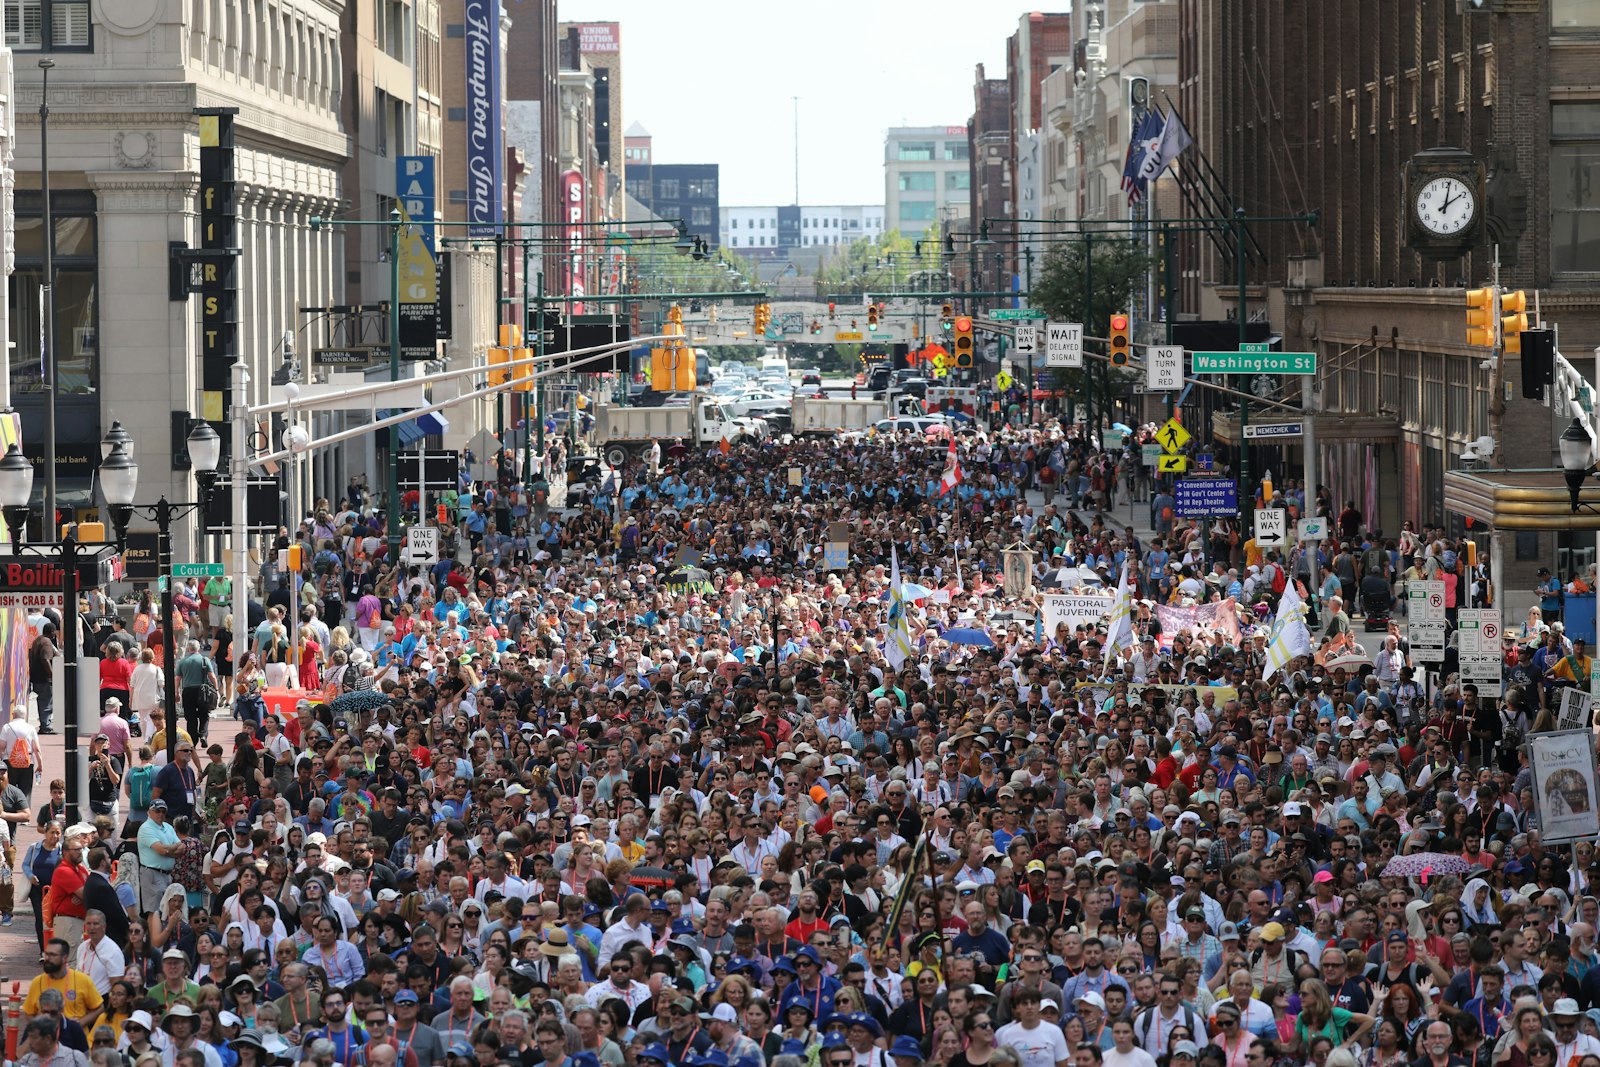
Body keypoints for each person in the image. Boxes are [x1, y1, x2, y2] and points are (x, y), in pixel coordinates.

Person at [0, 701, 44, 799]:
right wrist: (40, 765)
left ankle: (10, 810)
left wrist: (1, 760)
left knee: (8, 789)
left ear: (13, 714)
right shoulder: (31, 728)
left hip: (9, 761)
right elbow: (36, 749)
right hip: (27, 762)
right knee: (26, 790)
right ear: (25, 715)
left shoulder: (7, 727)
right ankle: (25, 810)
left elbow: (1, 747)